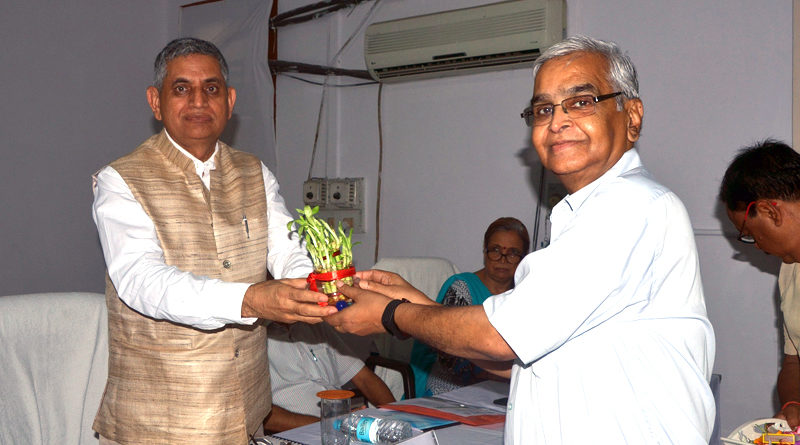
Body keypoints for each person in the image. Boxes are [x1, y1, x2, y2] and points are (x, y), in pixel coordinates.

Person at [326, 35, 716, 444]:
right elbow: (522, 360)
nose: (557, 121)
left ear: (631, 116)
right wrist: (415, 302)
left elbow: (498, 338)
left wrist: (392, 314)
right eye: (544, 109)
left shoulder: (630, 205)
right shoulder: (584, 217)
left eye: (581, 101)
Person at [91, 38, 336, 445]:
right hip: (158, 423)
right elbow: (141, 280)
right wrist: (252, 299)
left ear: (229, 100)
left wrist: (309, 289)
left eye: (211, 88)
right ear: (155, 102)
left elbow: (287, 247)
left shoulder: (254, 172)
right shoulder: (120, 180)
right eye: (181, 88)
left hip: (246, 414)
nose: (198, 101)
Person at [719, 139, 800, 427]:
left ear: (770, 211)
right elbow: (793, 362)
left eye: (750, 233)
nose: (756, 245)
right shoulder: (790, 270)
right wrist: (792, 405)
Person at [409, 217, 529, 396]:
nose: (502, 259)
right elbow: (451, 361)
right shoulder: (461, 288)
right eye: (496, 250)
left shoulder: (525, 295)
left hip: (502, 385)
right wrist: (502, 375)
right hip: (450, 384)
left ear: (523, 258)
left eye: (512, 253)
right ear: (485, 252)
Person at [262, 322, 395, 432]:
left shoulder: (315, 326)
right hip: (297, 434)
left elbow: (365, 379)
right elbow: (263, 417)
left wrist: (396, 416)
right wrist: (331, 425)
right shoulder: (256, 336)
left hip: (342, 428)